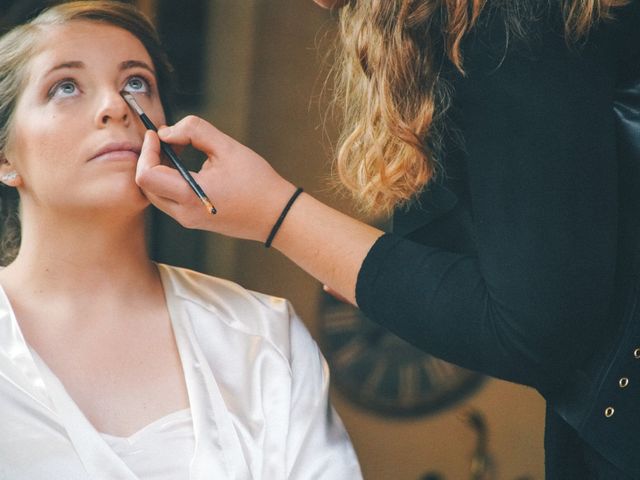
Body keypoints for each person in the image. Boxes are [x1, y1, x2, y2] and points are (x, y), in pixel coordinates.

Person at [134, 0, 640, 478]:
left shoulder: (508, 28)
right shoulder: (466, 37)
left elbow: (536, 331)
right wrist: (375, 273)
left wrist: (277, 216)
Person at [0, 2, 363, 479]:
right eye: (65, 87)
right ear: (5, 158)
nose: (114, 106)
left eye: (135, 84)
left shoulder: (262, 336)